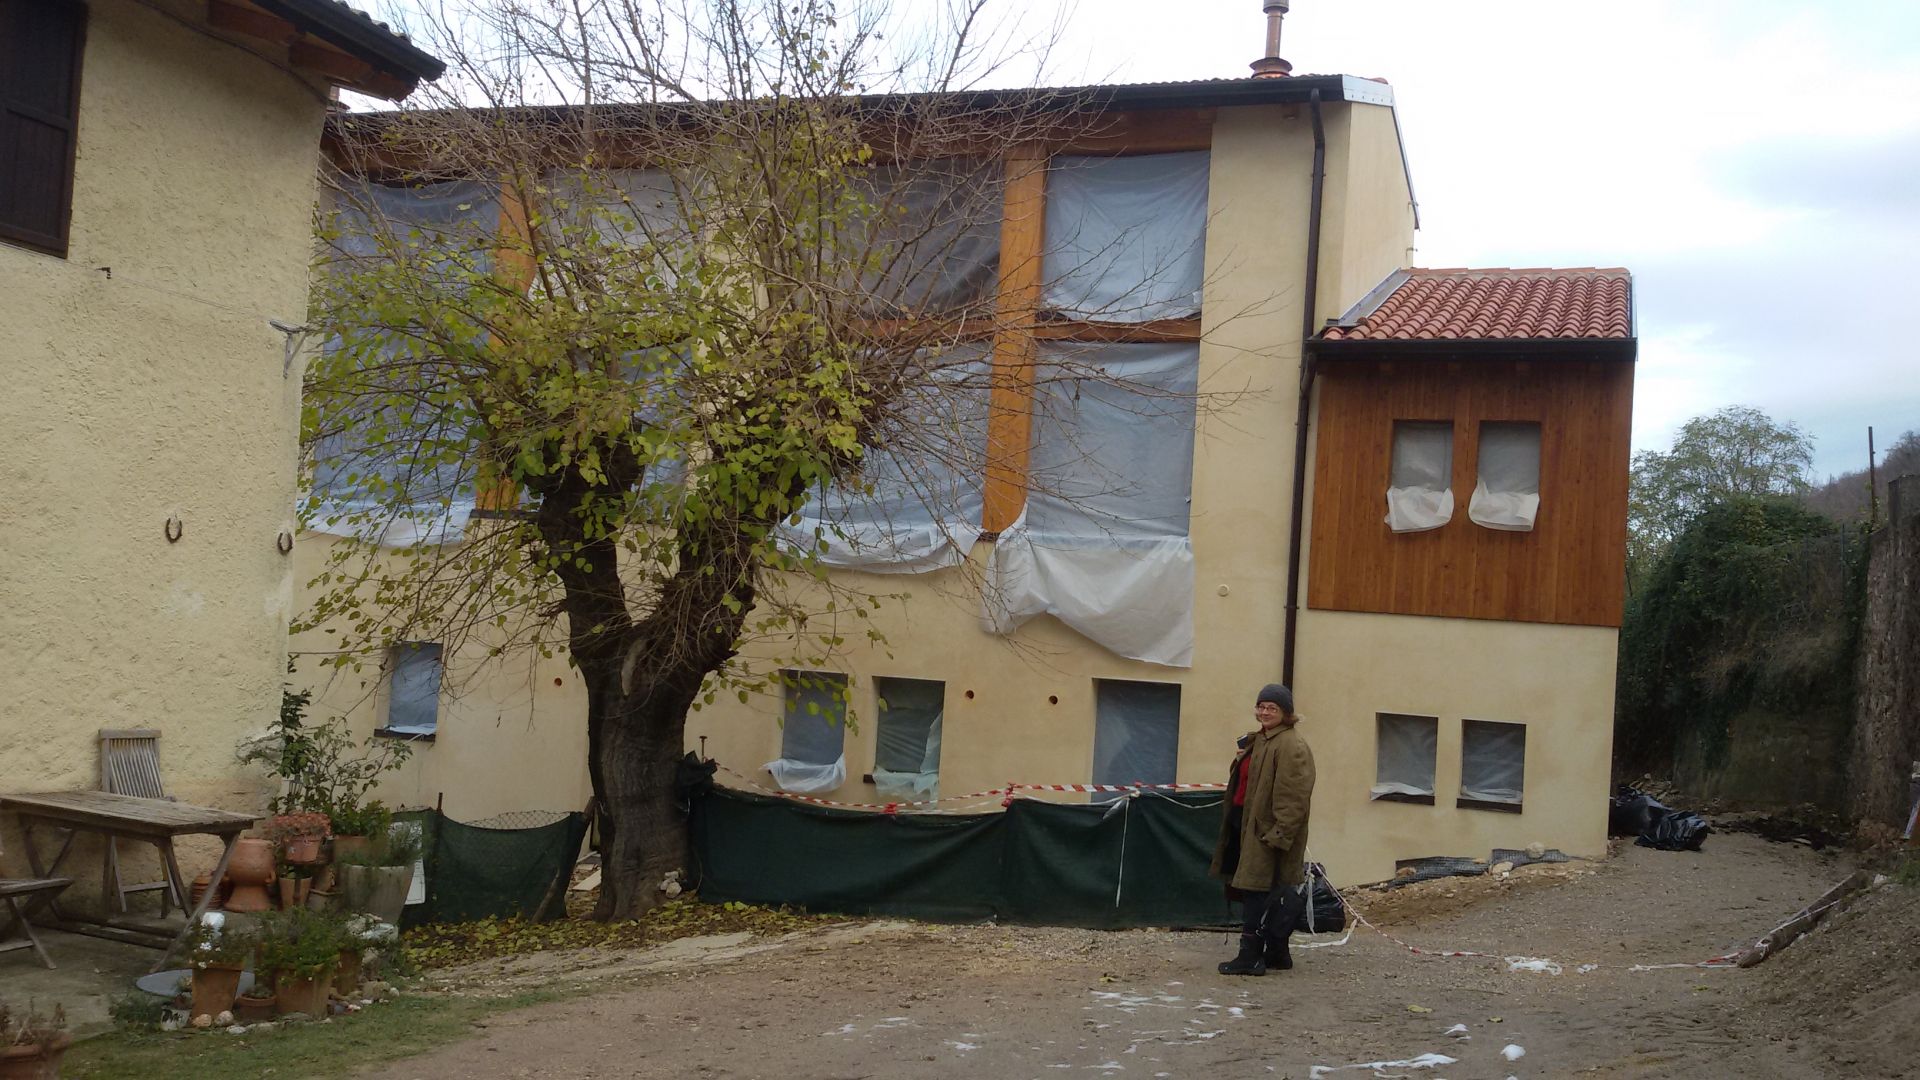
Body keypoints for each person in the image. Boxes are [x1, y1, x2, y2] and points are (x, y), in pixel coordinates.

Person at [1209, 683, 1316, 976]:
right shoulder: (1262, 740)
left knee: (1257, 890)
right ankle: (1277, 952)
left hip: (1266, 831)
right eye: (1262, 706)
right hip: (1247, 823)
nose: (1265, 712)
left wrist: (1279, 835)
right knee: (1259, 889)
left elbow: (1294, 797)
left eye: (1272, 708)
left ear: (1286, 713)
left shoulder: (1291, 745)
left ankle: (1250, 956)